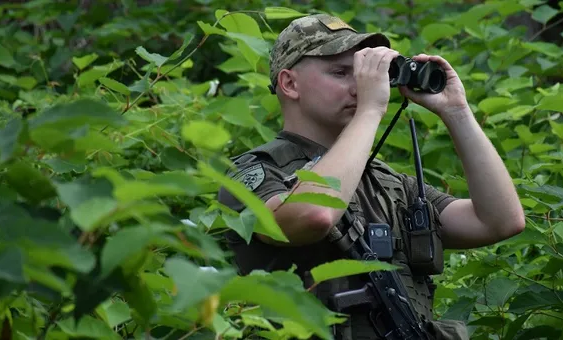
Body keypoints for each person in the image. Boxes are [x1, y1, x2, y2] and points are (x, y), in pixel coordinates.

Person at [217, 13, 525, 340]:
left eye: (365, 73)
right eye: (340, 72)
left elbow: (499, 221)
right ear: (290, 84)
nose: (361, 84)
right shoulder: (254, 171)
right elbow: (315, 215)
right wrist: (369, 109)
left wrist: (456, 111)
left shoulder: (391, 184)